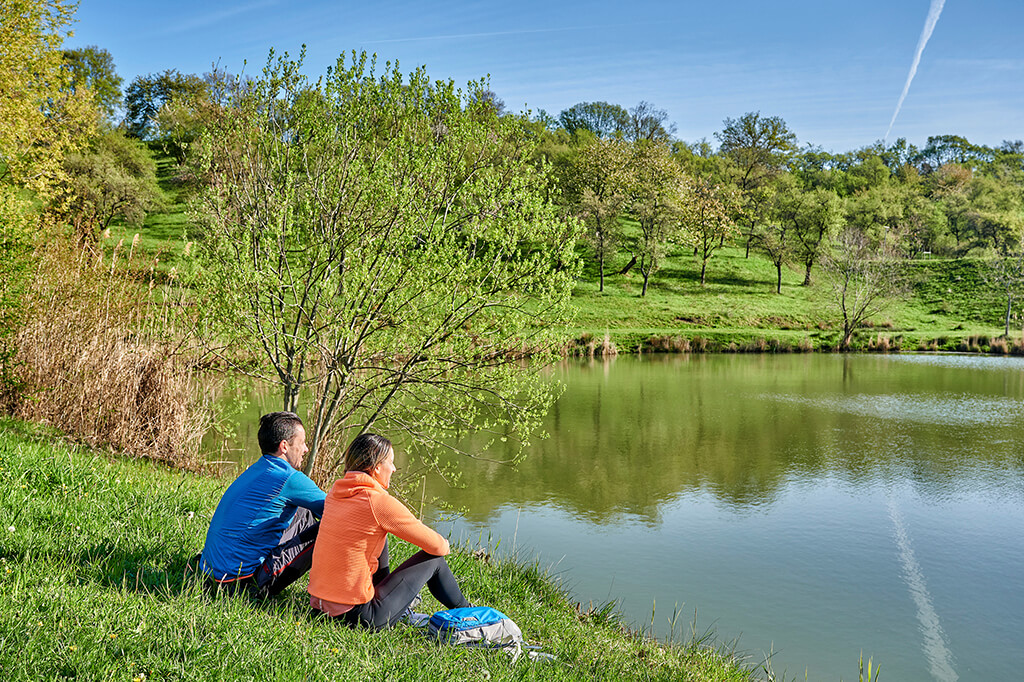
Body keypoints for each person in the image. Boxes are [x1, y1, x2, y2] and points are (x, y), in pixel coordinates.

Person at [308, 433, 470, 628]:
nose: (393, 469)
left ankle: (390, 599)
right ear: (377, 468)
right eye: (391, 463)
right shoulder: (378, 502)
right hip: (359, 616)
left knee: (378, 535)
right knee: (434, 560)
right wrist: (444, 543)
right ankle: (470, 614)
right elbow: (437, 547)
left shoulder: (335, 494)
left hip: (318, 606)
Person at [197, 411, 326, 597]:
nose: (306, 449)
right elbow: (337, 512)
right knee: (330, 528)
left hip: (209, 572)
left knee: (303, 510)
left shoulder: (258, 468)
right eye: (302, 443)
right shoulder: (290, 478)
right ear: (284, 446)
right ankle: (337, 597)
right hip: (240, 585)